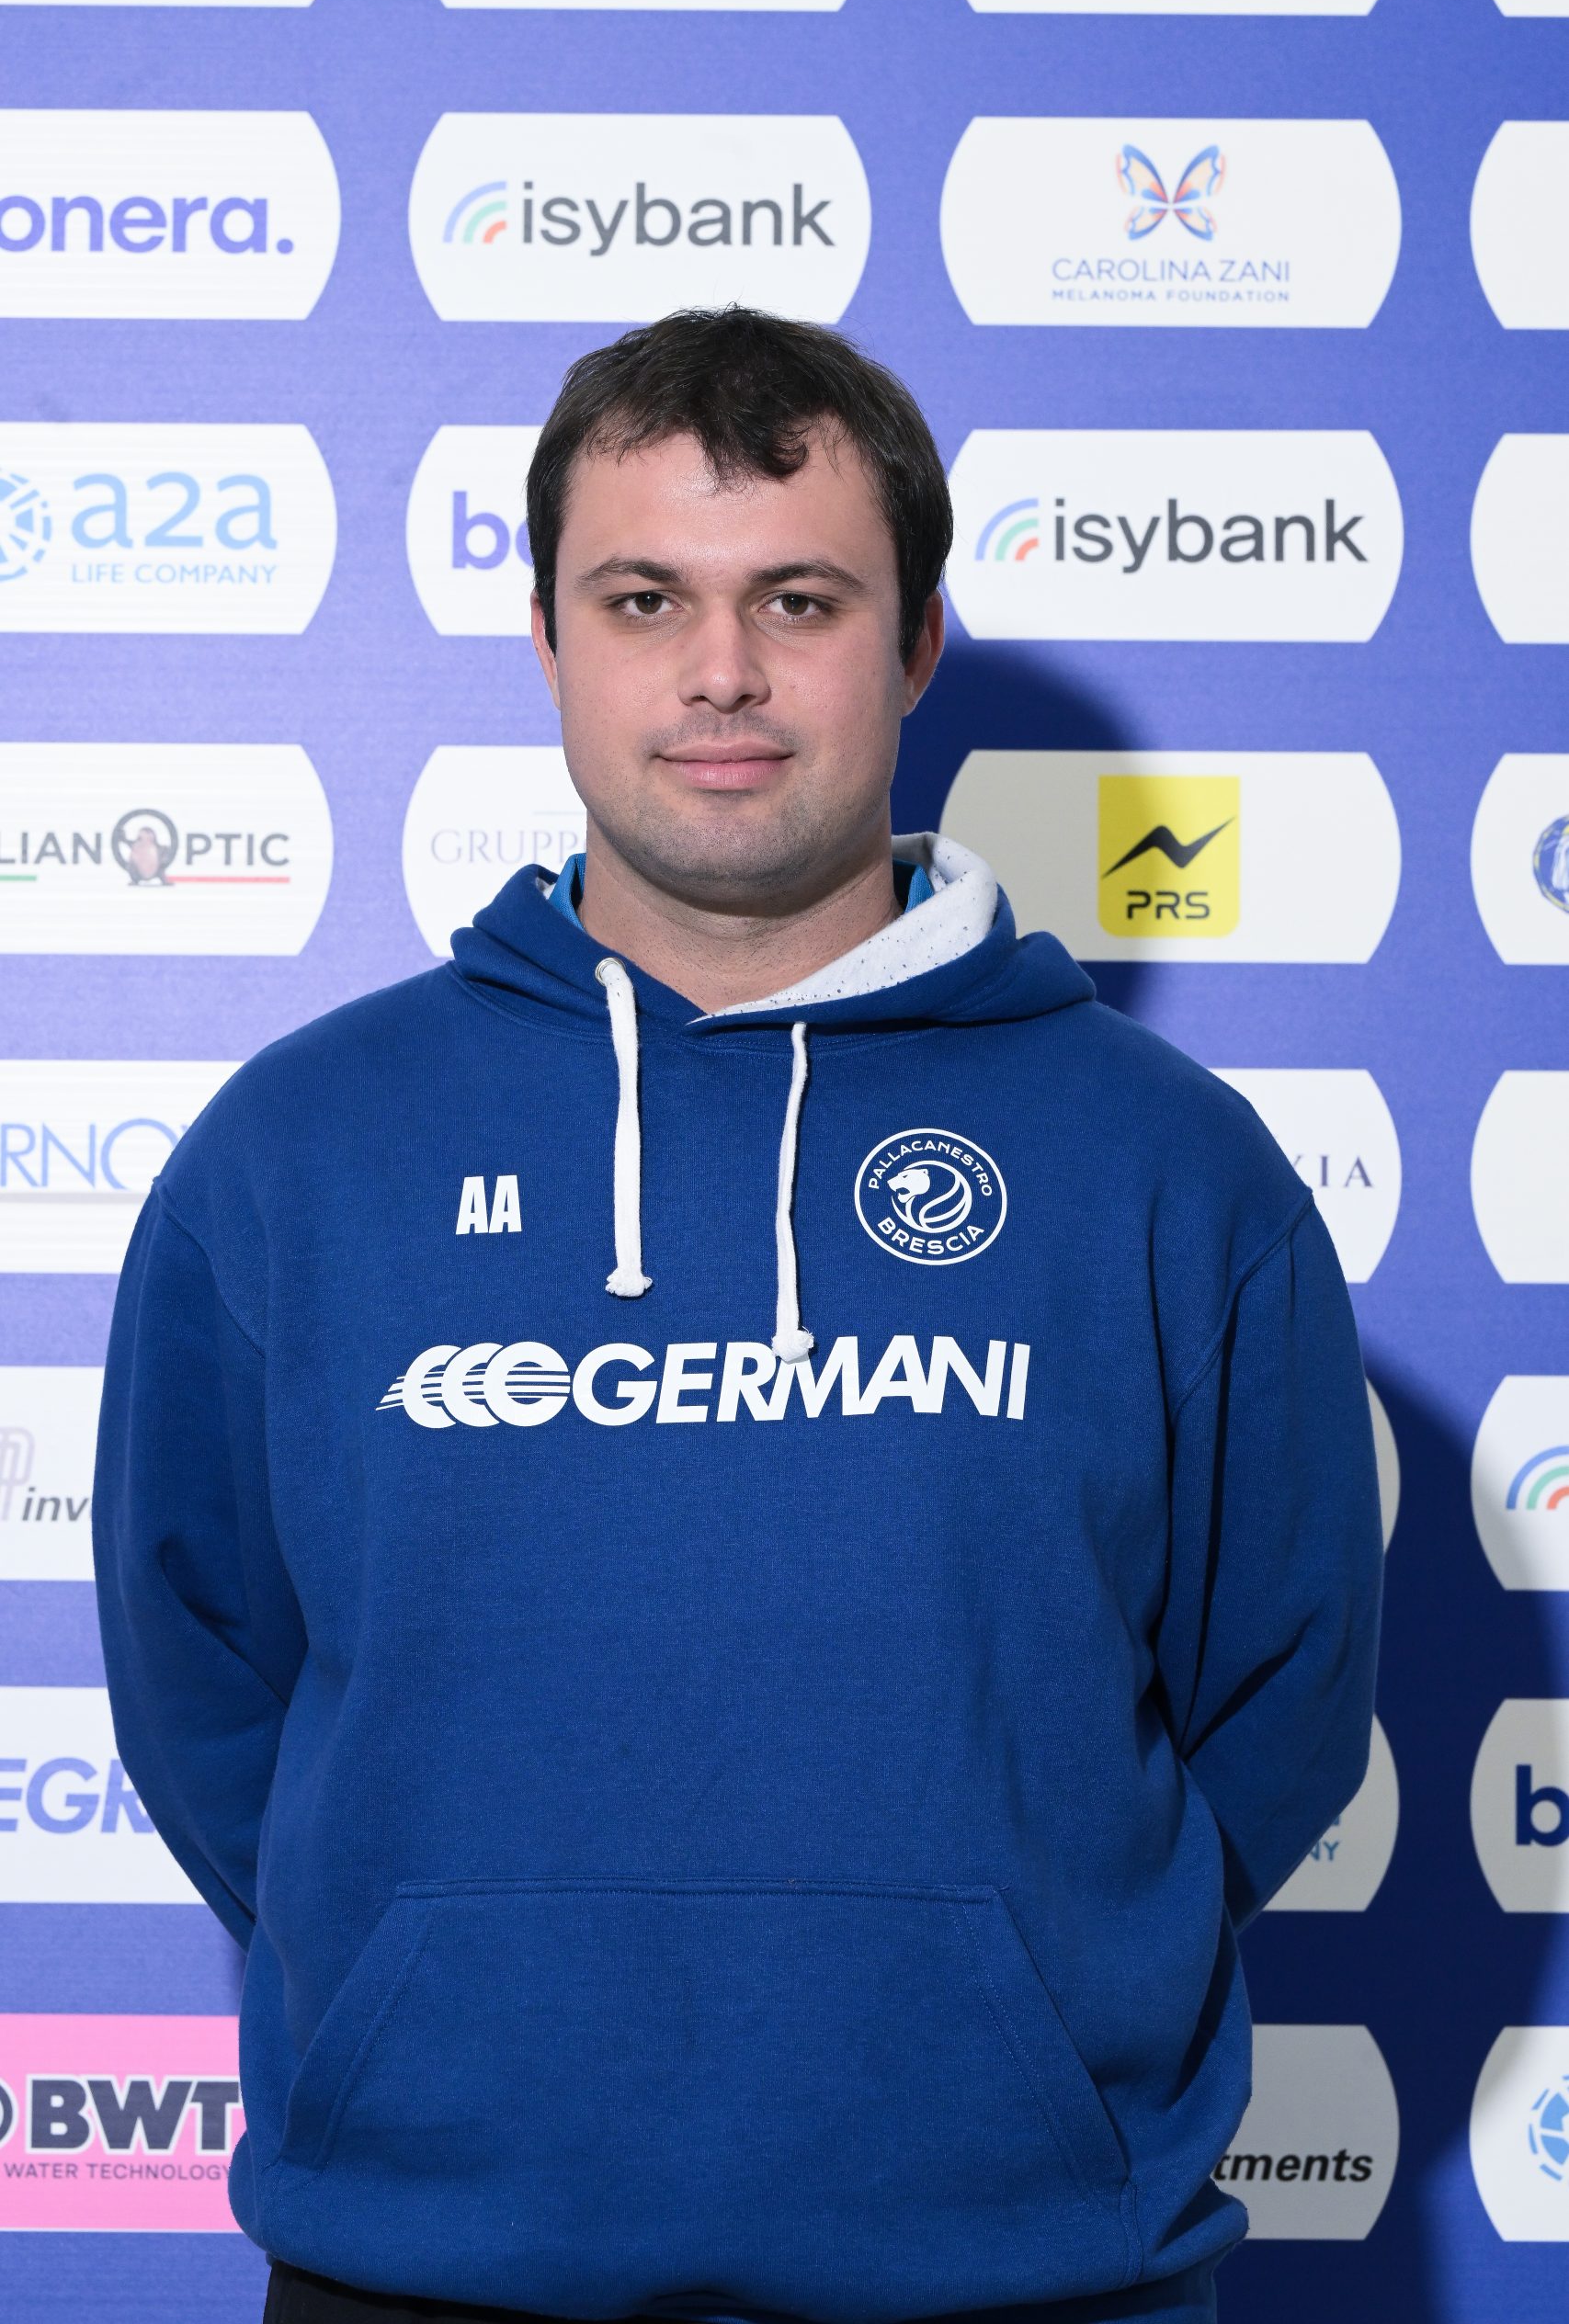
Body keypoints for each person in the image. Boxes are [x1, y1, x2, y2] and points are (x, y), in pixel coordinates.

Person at [93, 306, 1384, 2324]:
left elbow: (1277, 1699)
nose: (720, 671)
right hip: (429, 2268)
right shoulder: (300, 1152)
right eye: (643, 599)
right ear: (545, 639)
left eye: (797, 598)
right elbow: (206, 1684)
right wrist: (444, 1973)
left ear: (916, 641)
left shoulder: (1166, 1163)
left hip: (1029, 2277)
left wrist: (1018, 2000)